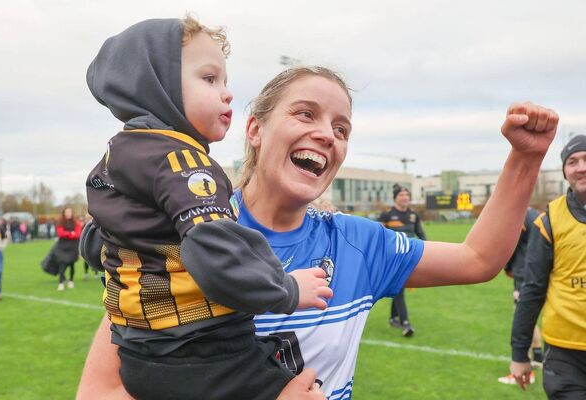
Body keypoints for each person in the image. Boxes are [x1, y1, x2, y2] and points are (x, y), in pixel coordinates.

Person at [77, 64, 558, 399]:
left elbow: (479, 259)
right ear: (255, 130)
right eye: (305, 114)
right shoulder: (188, 232)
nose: (328, 134)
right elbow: (100, 392)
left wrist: (526, 158)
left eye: (342, 127)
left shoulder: (358, 242)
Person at [83, 17, 330, 400]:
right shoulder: (183, 161)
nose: (227, 93)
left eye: (225, 81)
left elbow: (97, 244)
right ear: (157, 85)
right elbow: (213, 250)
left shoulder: (114, 157)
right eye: (209, 78)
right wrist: (287, 288)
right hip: (205, 354)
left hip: (138, 356)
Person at [509, 134, 586, 397]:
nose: (581, 167)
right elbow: (532, 290)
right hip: (566, 355)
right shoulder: (550, 220)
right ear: (565, 171)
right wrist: (520, 354)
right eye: (573, 161)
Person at [497, 206, 542, 385]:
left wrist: (507, 267)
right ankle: (538, 356)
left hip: (524, 274)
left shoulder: (521, 215)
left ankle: (526, 370)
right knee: (529, 316)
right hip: (536, 271)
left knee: (522, 316)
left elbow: (511, 244)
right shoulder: (538, 214)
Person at [380, 183, 426, 337]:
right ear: (395, 198)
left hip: (410, 259)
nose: (405, 197)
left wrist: (426, 251)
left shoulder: (413, 215)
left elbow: (422, 235)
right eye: (401, 195)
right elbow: (379, 238)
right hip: (393, 259)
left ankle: (393, 318)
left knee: (398, 288)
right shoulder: (386, 215)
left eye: (407, 195)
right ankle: (406, 324)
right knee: (399, 289)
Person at [54, 207, 82, 291]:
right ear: (64, 213)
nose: (68, 213)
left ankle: (71, 281)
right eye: (67, 212)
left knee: (71, 264)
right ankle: (61, 283)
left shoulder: (76, 222)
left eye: (70, 212)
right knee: (62, 264)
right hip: (63, 246)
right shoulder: (60, 222)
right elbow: (60, 233)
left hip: (73, 246)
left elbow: (77, 234)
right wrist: (70, 233)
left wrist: (67, 234)